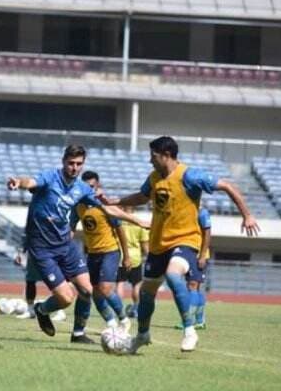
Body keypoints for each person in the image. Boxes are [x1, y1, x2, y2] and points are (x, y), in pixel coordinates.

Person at [100, 136, 260, 353]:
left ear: (166, 155)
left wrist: (247, 215)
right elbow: (142, 196)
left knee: (174, 274)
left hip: (186, 240)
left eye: (153, 156)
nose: (150, 160)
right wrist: (116, 201)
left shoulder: (190, 175)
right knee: (147, 292)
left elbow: (226, 185)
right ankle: (142, 335)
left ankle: (189, 330)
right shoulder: (155, 177)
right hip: (158, 245)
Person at [6, 145, 148, 340]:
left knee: (88, 290)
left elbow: (109, 210)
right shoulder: (50, 178)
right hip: (42, 249)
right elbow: (30, 182)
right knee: (65, 298)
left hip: (65, 246)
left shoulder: (82, 189)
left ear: (83, 164)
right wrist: (17, 182)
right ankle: (41, 309)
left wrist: (138, 221)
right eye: (71, 163)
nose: (74, 167)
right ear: (64, 161)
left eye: (78, 164)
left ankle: (79, 333)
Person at [69, 171, 132, 343]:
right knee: (90, 292)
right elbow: (72, 226)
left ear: (98, 186)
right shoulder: (78, 205)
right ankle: (108, 324)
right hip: (92, 254)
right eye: (85, 186)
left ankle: (124, 320)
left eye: (92, 186)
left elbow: (120, 230)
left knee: (104, 289)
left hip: (110, 252)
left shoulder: (104, 205)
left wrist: (126, 256)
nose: (89, 189)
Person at [175, 207, 211, 330]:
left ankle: (188, 321)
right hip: (190, 253)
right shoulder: (187, 211)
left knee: (192, 286)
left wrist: (202, 255)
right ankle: (200, 321)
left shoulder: (202, 212)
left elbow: (207, 233)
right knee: (195, 287)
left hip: (198, 255)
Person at [115, 205, 149, 319]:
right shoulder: (138, 223)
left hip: (120, 256)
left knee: (120, 283)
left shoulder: (119, 222)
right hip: (135, 258)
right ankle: (136, 308)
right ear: (134, 210)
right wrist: (145, 255)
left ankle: (119, 309)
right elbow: (145, 246)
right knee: (136, 284)